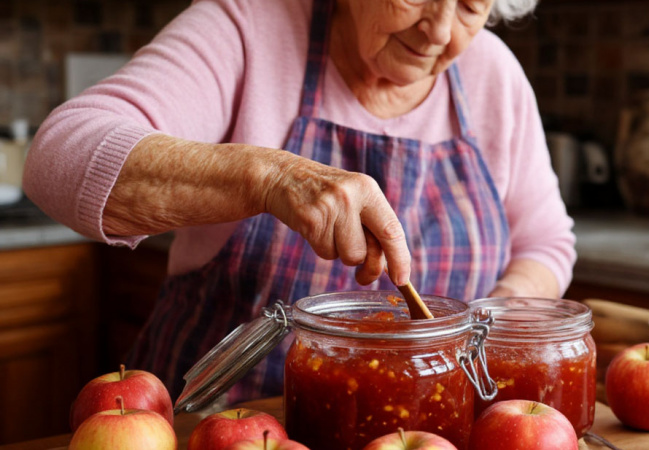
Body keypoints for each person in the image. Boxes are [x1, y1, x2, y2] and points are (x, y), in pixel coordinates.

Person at [23, 0, 576, 403]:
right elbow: (59, 156)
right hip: (220, 426)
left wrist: (481, 321)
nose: (438, 29)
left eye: (470, 6)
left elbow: (545, 243)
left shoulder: (493, 73)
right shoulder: (248, 26)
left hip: (421, 429)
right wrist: (270, 178)